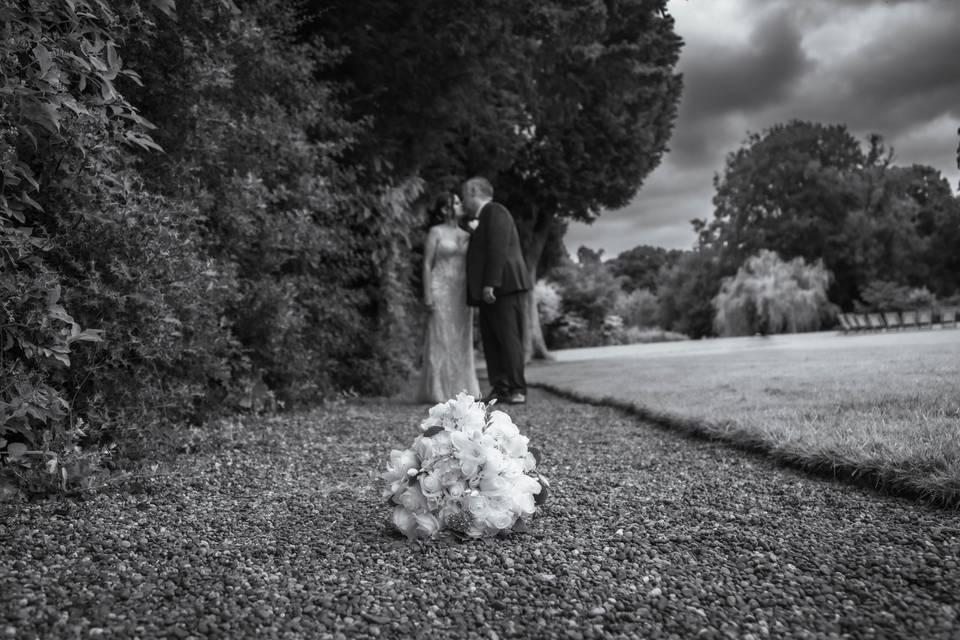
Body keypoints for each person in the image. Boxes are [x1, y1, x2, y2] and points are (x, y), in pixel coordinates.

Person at [461, 177, 531, 405]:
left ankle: (517, 388)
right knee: (492, 340)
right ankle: (500, 387)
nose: (463, 200)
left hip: (504, 286)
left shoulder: (495, 211)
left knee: (509, 338)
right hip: (489, 292)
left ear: (473, 191)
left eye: (464, 195)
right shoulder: (481, 218)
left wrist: (491, 282)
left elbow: (498, 247)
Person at [416, 192, 481, 404]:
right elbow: (427, 263)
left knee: (461, 339)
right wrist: (427, 294)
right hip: (440, 288)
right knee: (440, 338)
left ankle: (462, 391)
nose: (462, 205)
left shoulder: (467, 233)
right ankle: (437, 390)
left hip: (461, 292)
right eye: (457, 202)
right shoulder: (436, 232)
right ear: (445, 209)